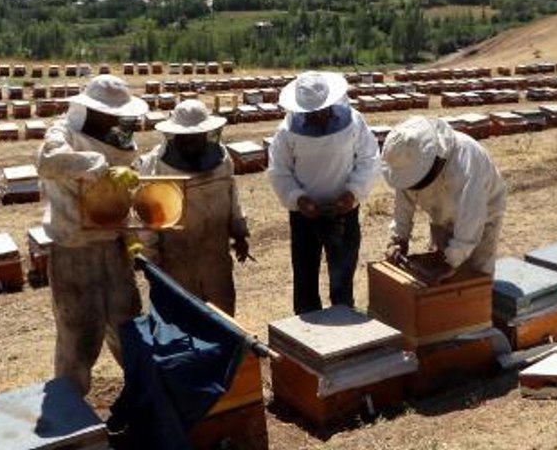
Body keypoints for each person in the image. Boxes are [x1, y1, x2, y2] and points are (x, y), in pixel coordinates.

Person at [37, 73, 147, 396]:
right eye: (107, 113)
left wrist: (132, 239)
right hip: (74, 248)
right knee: (77, 335)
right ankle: (73, 419)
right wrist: (98, 165)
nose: (114, 119)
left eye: (117, 114)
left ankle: (142, 399)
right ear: (89, 109)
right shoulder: (64, 132)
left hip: (113, 245)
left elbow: (123, 191)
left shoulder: (120, 136)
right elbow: (47, 160)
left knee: (128, 323)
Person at [267, 71, 380, 314]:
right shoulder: (286, 131)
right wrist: (298, 199)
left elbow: (369, 159)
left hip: (345, 211)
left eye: (321, 110)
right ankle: (308, 328)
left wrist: (353, 193)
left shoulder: (354, 121)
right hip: (303, 215)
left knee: (342, 275)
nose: (317, 116)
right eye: (311, 112)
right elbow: (279, 171)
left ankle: (343, 318)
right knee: (305, 277)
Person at [136, 99, 250, 316]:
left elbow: (232, 196)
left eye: (196, 137)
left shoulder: (222, 159)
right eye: (185, 138)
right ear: (175, 136)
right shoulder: (155, 165)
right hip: (175, 261)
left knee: (223, 319)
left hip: (216, 257)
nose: (191, 143)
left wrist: (240, 233)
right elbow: (147, 219)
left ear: (206, 134)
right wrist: (151, 260)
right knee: (182, 321)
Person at [381, 115, 507, 282]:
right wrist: (399, 238)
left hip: (483, 219)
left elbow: (472, 216)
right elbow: (403, 201)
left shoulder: (466, 160)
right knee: (441, 280)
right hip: (442, 216)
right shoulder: (406, 163)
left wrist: (450, 263)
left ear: (434, 160)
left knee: (475, 278)